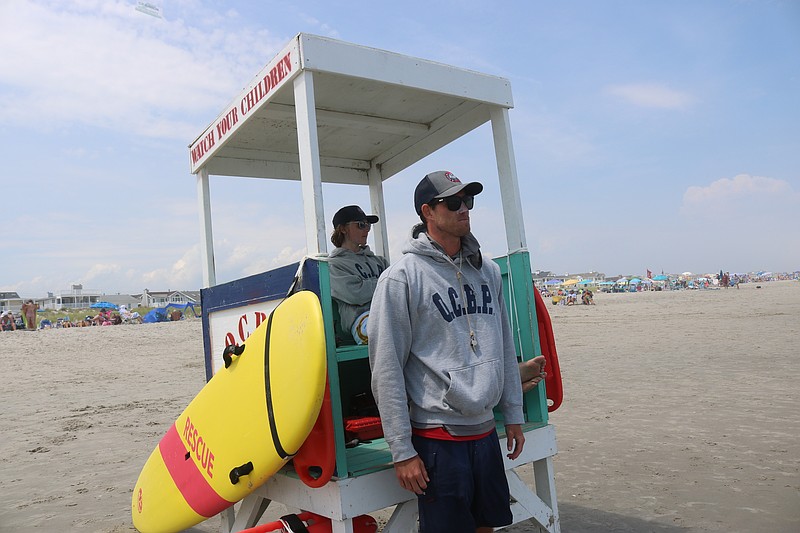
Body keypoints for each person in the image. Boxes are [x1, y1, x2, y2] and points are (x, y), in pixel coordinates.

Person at [368, 170, 527, 532]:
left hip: (485, 431)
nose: (464, 209)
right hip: (437, 435)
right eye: (453, 202)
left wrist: (513, 413)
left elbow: (503, 344)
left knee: (488, 524)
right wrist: (402, 450)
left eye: (467, 201)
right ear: (427, 212)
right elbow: (386, 367)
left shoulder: (488, 271)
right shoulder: (401, 277)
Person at [328, 205, 389, 344]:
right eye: (361, 225)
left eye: (368, 226)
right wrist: (385, 282)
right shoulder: (334, 265)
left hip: (388, 313)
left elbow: (398, 288)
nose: (366, 230)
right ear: (343, 229)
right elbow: (356, 294)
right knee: (386, 329)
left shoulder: (379, 261)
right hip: (361, 321)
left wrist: (370, 286)